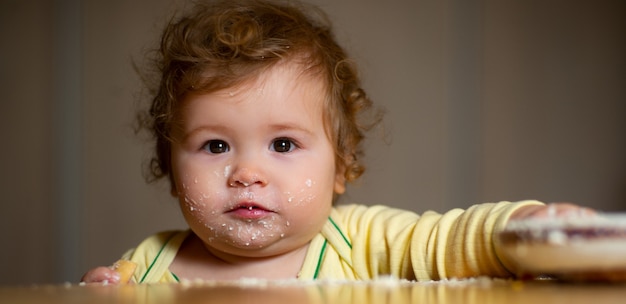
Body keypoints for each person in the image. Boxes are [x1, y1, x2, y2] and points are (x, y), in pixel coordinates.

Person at [82, 0, 590, 284]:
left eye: (282, 145)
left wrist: (521, 228)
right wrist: (99, 298)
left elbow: (446, 243)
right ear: (170, 169)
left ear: (341, 166)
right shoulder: (149, 263)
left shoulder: (356, 241)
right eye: (216, 146)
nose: (247, 173)